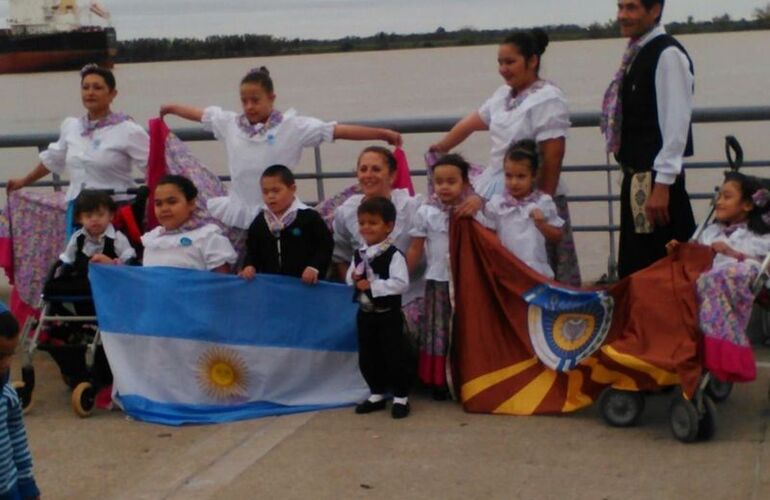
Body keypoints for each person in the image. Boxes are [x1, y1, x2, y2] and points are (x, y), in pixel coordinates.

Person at [159, 66, 402, 229]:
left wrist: (381, 133)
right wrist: (172, 108)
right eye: (245, 101)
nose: (250, 106)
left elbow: (336, 130)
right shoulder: (230, 123)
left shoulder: (291, 127)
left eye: (256, 100)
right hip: (239, 211)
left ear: (271, 98)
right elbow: (202, 114)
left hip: (280, 212)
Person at [430, 29, 580, 286]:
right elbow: (472, 122)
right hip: (498, 184)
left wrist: (540, 201)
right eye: (500, 62)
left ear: (532, 61)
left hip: (531, 187)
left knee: (536, 261)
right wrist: (440, 147)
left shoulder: (547, 99)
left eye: (510, 62)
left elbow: (553, 156)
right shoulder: (502, 96)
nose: (503, 69)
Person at [602, 0, 696, 278]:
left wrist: (663, 184)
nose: (622, 15)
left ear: (654, 10)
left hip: (655, 185)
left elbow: (676, 123)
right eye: (620, 7)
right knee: (639, 268)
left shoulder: (667, 54)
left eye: (631, 8)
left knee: (662, 269)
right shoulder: (637, 53)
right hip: (637, 180)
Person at [7, 64, 149, 237]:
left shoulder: (128, 129)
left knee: (112, 260)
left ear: (112, 94)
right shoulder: (72, 126)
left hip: (113, 211)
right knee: (78, 258)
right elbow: (54, 159)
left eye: (97, 88)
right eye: (85, 87)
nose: (90, 92)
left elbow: (153, 165)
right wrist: (24, 181)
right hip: (79, 212)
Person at [667, 172, 770, 382]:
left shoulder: (758, 237)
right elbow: (693, 261)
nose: (719, 202)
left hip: (740, 275)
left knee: (715, 278)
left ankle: (726, 350)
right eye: (719, 197)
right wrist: (680, 251)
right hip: (708, 279)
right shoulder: (710, 233)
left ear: (748, 205)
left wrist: (732, 253)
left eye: (727, 197)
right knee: (673, 282)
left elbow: (762, 268)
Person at [405, 154, 471, 399]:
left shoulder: (471, 209)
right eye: (438, 181)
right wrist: (400, 276)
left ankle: (466, 375)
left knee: (465, 328)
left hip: (465, 282)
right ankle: (439, 380)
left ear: (464, 183)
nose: (444, 186)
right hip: (438, 281)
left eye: (451, 181)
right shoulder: (426, 212)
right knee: (438, 329)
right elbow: (415, 247)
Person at [346, 197, 411, 419]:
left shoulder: (393, 255)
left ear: (389, 226)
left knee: (394, 355)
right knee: (368, 355)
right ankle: (376, 392)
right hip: (365, 313)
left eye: (372, 223)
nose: (366, 228)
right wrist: (354, 277)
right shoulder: (359, 253)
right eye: (362, 222)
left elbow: (401, 283)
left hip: (387, 314)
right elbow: (349, 278)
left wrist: (373, 286)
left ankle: (401, 396)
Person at [482, 140, 564, 279]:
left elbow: (557, 236)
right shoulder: (497, 204)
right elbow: (488, 236)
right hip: (506, 270)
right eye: (509, 176)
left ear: (533, 176)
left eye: (521, 176)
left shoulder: (543, 202)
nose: (514, 182)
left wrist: (541, 224)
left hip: (535, 271)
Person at [239, 165, 333, 283]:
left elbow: (325, 245)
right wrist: (249, 266)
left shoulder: (309, 217)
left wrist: (314, 267)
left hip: (305, 285)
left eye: (276, 190)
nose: (270, 196)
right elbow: (252, 250)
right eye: (265, 192)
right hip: (271, 287)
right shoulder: (259, 222)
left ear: (292, 189)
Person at [45, 190, 136, 298]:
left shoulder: (117, 237)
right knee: (50, 287)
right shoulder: (77, 238)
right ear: (80, 219)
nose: (95, 219)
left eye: (100, 215)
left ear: (111, 216)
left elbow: (129, 260)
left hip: (111, 282)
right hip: (83, 282)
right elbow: (68, 259)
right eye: (89, 216)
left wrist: (116, 264)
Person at [142, 175, 237, 272]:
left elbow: (222, 282)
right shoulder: (151, 240)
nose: (164, 209)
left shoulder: (208, 237)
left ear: (191, 204)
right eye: (158, 204)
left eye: (172, 202)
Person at [0, 308, 40, 500]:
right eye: (0, 355)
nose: (7, 363)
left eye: (10, 355)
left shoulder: (7, 395)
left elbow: (17, 438)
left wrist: (27, 484)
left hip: (9, 488)